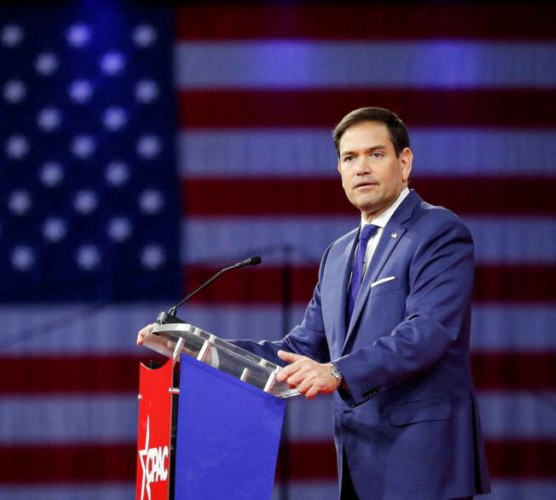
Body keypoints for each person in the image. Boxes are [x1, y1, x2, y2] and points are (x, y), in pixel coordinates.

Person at [137, 107, 491, 499]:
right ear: (339, 171)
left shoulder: (439, 232)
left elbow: (428, 332)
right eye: (349, 158)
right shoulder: (337, 255)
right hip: (359, 463)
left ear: (404, 162)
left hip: (424, 463)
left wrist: (336, 372)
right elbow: (301, 348)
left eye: (376, 154)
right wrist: (201, 349)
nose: (361, 168)